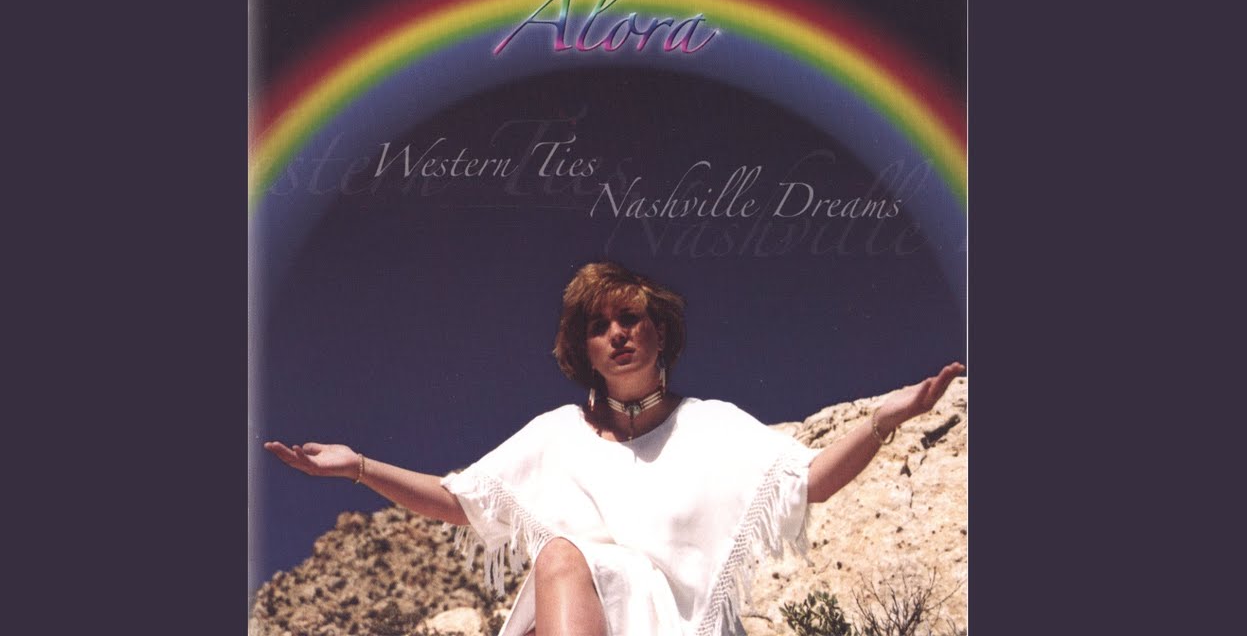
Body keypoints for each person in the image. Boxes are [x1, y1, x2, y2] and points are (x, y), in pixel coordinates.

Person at [265, 262, 965, 636]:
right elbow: (459, 501)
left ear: (660, 334)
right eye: (600, 327)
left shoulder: (712, 425)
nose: (618, 333)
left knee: (576, 560)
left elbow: (810, 481)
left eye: (631, 318)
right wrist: (359, 467)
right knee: (561, 558)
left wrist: (884, 420)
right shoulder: (556, 434)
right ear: (586, 351)